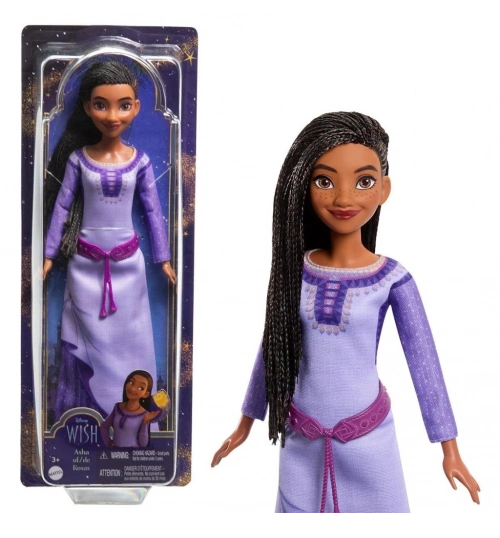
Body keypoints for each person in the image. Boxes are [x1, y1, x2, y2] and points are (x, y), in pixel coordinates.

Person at [212, 112, 480, 514]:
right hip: (301, 441)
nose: (343, 198)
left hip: (369, 441)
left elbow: (424, 365)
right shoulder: (295, 271)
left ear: (384, 189)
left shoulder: (392, 279)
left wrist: (450, 449)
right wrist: (245, 423)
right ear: (304, 185)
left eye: (364, 182)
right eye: (324, 181)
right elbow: (273, 349)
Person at [43, 61, 175, 419]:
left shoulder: (140, 162)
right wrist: (49, 255)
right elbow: (62, 207)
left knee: (133, 335)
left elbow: (153, 210)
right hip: (84, 264)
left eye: (123, 105)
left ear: (137, 107)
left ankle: (137, 412)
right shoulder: (78, 160)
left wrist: (163, 259)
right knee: (85, 333)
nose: (113, 116)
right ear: (87, 107)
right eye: (101, 105)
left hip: (128, 266)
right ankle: (84, 407)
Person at [100, 370, 166, 448]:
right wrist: (108, 444)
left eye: (140, 388)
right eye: (131, 383)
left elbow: (143, 444)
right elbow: (104, 427)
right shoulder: (117, 407)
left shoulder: (145, 414)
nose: (133, 389)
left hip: (133, 453)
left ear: (146, 394)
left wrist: (145, 422)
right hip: (116, 453)